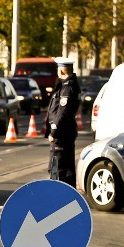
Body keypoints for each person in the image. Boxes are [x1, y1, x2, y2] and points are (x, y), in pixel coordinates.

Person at [44, 57, 81, 186]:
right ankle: (69, 196)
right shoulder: (65, 86)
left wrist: (54, 132)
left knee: (57, 167)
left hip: (62, 133)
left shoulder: (67, 88)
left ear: (62, 71)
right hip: (65, 131)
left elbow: (62, 113)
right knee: (67, 168)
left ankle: (55, 195)